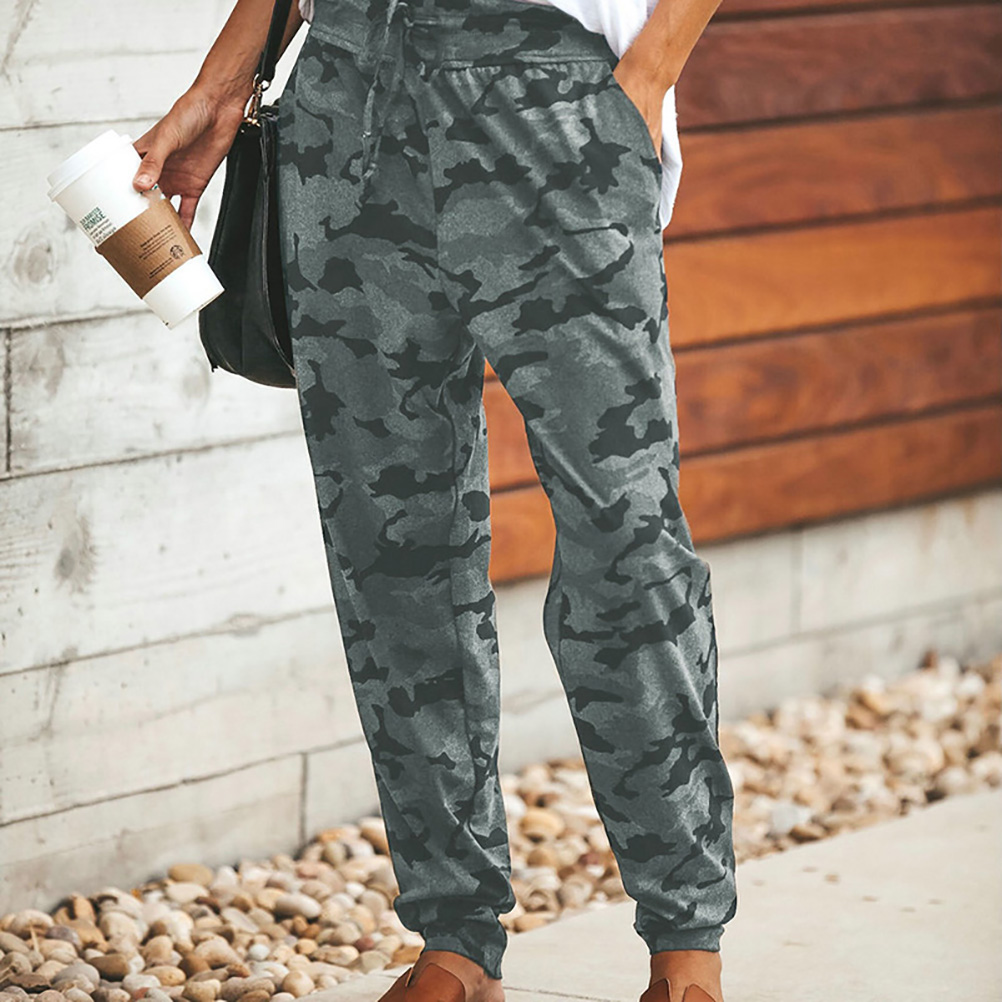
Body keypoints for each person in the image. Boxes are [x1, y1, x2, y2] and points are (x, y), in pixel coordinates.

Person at [131, 1, 736, 1000]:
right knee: (393, 545)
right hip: (346, 95)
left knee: (624, 536)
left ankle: (686, 938)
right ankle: (455, 936)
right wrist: (225, 80)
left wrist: (646, 76)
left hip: (551, 93)